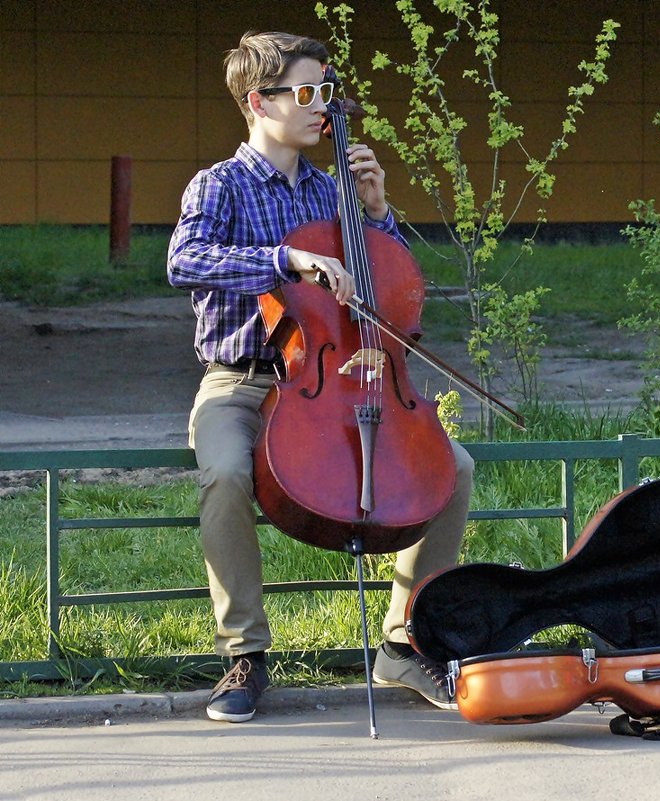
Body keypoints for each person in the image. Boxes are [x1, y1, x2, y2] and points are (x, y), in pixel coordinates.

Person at [167, 31, 474, 723]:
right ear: (257, 102)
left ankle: (401, 642)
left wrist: (374, 214)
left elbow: (389, 291)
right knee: (224, 472)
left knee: (451, 468)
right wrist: (285, 260)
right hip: (242, 380)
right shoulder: (219, 184)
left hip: (336, 379)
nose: (320, 108)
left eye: (325, 94)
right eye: (305, 93)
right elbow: (186, 260)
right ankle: (244, 652)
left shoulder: (331, 188)